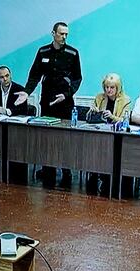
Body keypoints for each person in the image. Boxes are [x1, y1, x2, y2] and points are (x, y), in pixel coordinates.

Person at [17, 22, 82, 185]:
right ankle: (48, 169)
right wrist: (26, 91)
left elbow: (77, 78)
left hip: (65, 102)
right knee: (47, 137)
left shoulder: (72, 53)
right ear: (53, 33)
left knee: (65, 138)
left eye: (66, 34)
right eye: (61, 34)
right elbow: (34, 75)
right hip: (47, 101)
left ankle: (66, 170)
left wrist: (67, 95)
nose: (64, 37)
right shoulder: (43, 51)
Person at [86, 73, 131, 196]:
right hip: (100, 136)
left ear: (118, 88)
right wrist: (93, 111)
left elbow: (125, 120)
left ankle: (108, 180)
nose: (108, 90)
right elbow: (89, 118)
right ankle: (94, 176)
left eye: (112, 87)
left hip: (118, 138)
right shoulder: (99, 97)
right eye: (106, 87)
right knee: (94, 148)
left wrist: (112, 117)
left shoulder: (125, 100)